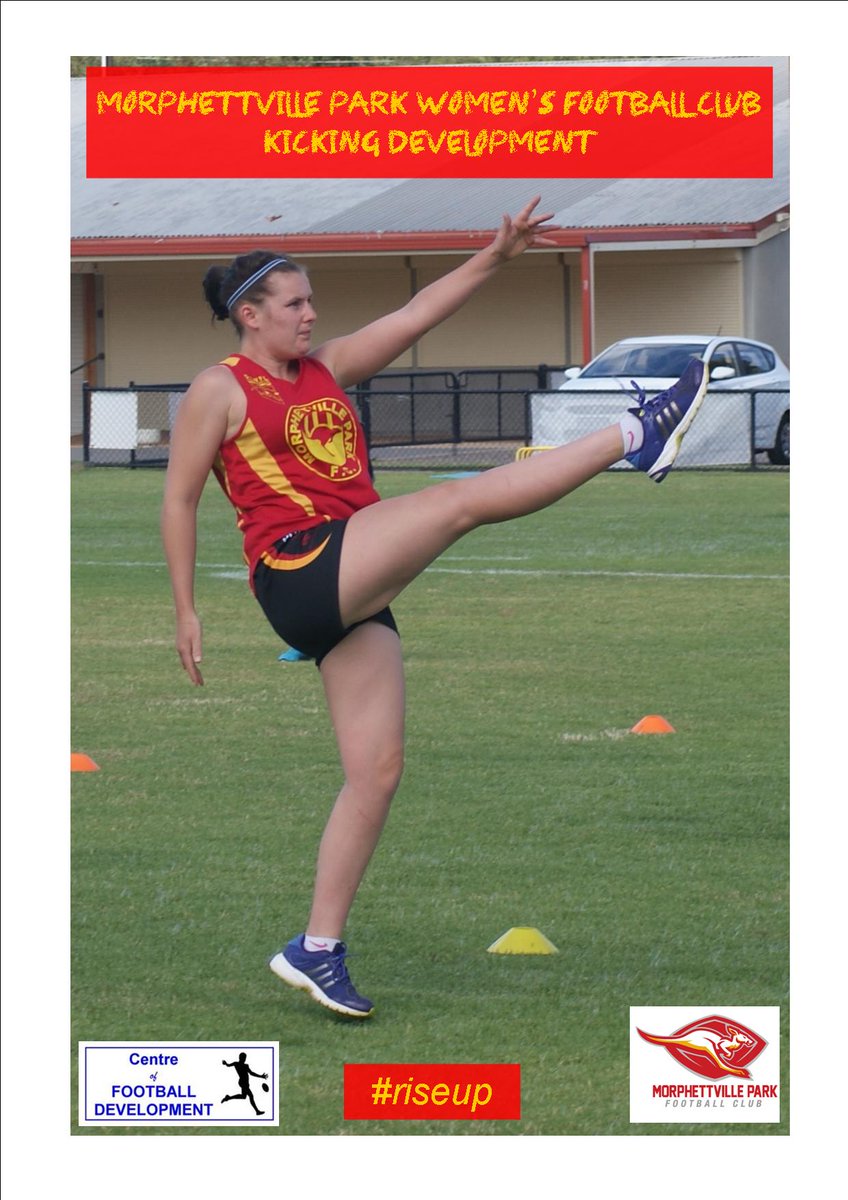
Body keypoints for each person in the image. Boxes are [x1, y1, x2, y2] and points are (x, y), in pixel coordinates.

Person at [161, 197, 708, 1019]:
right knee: (459, 501)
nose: (312, 315)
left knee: (376, 772)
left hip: (351, 576)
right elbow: (177, 500)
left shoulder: (327, 368)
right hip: (300, 568)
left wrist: (499, 254)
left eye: (311, 302)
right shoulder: (218, 388)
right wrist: (186, 609)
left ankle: (315, 948)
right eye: (296, 303)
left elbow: (418, 312)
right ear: (250, 315)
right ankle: (634, 434)